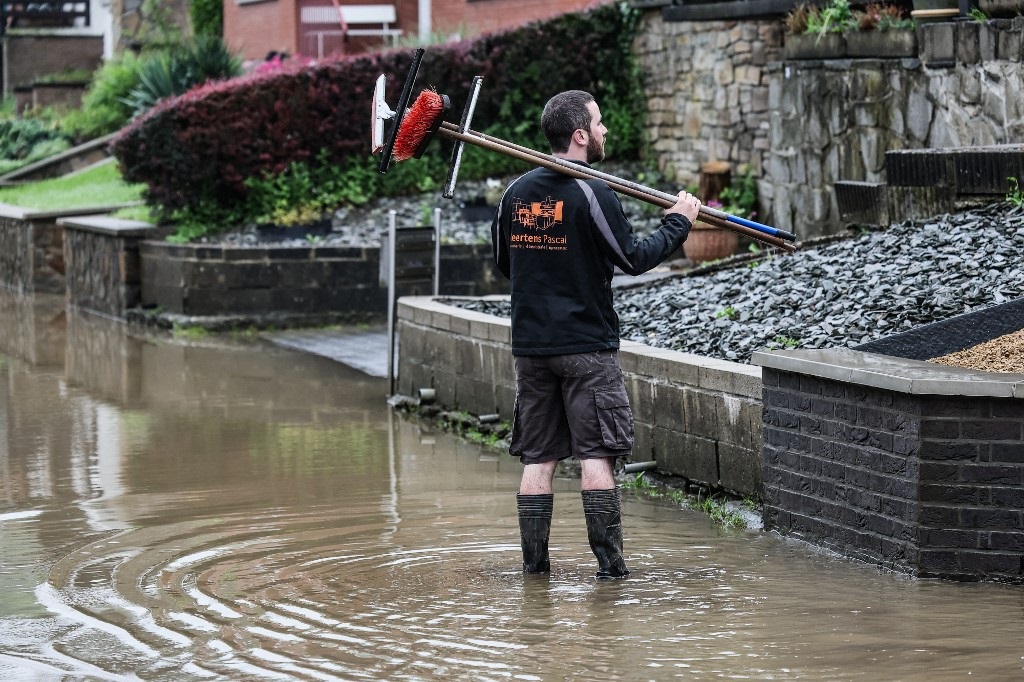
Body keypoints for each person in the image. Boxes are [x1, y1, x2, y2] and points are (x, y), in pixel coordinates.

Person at [491, 90, 702, 579]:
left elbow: (507, 264)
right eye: (600, 124)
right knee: (596, 455)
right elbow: (633, 258)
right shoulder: (592, 191)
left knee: (537, 460)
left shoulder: (513, 195)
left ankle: (534, 572)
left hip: (531, 349)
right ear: (580, 135)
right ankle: (611, 574)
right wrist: (678, 222)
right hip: (587, 348)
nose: (606, 131)